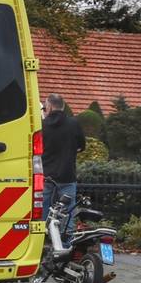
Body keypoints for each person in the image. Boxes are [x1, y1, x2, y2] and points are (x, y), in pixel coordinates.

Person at [42, 93, 86, 237]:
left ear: (49, 106)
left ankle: (42, 244)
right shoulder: (74, 124)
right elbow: (81, 146)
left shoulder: (41, 125)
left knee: (42, 211)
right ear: (63, 106)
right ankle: (65, 246)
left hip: (46, 176)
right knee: (67, 215)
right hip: (67, 176)